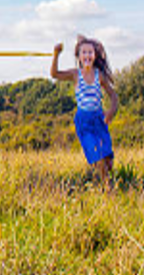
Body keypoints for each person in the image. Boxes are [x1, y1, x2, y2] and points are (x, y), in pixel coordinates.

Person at [51, 36, 118, 183]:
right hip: (84, 122)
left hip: (99, 120)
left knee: (108, 160)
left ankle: (101, 178)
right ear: (79, 56)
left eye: (90, 52)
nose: (87, 55)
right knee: (98, 155)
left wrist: (110, 112)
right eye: (84, 52)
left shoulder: (98, 75)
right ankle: (107, 189)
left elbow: (113, 96)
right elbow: (54, 74)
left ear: (94, 55)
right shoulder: (75, 74)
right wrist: (56, 54)